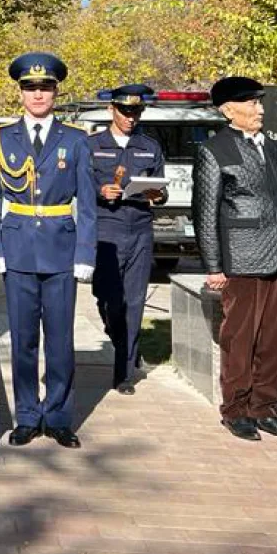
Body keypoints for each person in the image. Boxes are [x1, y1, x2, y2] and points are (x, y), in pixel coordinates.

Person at [0, 52, 97, 449]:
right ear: (21, 92)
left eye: (45, 87)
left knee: (61, 341)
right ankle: (28, 415)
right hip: (17, 250)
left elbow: (88, 203)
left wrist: (85, 254)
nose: (38, 94)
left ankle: (60, 416)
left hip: (62, 250)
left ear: (55, 91)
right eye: (30, 87)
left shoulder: (76, 140)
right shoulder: (1, 138)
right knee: (24, 341)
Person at [193, 76, 277, 441]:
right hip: (241, 259)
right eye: (252, 103)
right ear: (228, 110)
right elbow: (205, 213)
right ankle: (236, 410)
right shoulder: (214, 150)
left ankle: (265, 409)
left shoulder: (271, 147)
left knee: (274, 342)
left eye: (260, 102)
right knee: (240, 339)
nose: (260, 110)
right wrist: (213, 266)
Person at [86, 83, 167, 394]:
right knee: (107, 298)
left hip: (140, 227)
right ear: (112, 110)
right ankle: (120, 338)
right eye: (126, 111)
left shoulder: (150, 146)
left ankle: (124, 370)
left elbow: (161, 187)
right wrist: (100, 190)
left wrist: (158, 195)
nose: (131, 117)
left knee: (134, 301)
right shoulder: (92, 145)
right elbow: (80, 183)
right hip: (105, 228)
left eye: (136, 111)